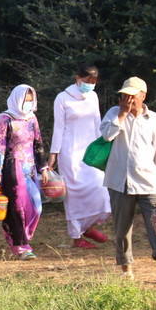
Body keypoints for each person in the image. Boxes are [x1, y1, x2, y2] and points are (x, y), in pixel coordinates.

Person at [100, 78, 156, 281]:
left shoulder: (153, 118)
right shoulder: (114, 113)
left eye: (132, 95)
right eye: (124, 95)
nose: (128, 99)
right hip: (120, 180)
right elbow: (106, 136)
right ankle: (126, 270)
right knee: (122, 226)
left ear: (143, 96)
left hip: (148, 180)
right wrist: (121, 114)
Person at [49, 64, 112, 249]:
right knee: (74, 195)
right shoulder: (62, 98)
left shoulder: (93, 96)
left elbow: (97, 123)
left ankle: (89, 227)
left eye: (93, 82)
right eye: (87, 81)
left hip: (90, 151)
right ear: (78, 78)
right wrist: (54, 155)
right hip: (69, 152)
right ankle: (77, 237)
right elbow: (58, 128)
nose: (90, 85)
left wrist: (103, 149)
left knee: (101, 189)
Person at [0, 85, 50, 260]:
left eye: (31, 101)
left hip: (29, 167)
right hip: (12, 166)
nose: (29, 104)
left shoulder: (32, 119)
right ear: (17, 100)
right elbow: (0, 147)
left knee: (36, 207)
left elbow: (38, 143)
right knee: (18, 207)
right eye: (26, 101)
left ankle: (21, 236)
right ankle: (20, 246)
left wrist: (43, 167)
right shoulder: (5, 119)